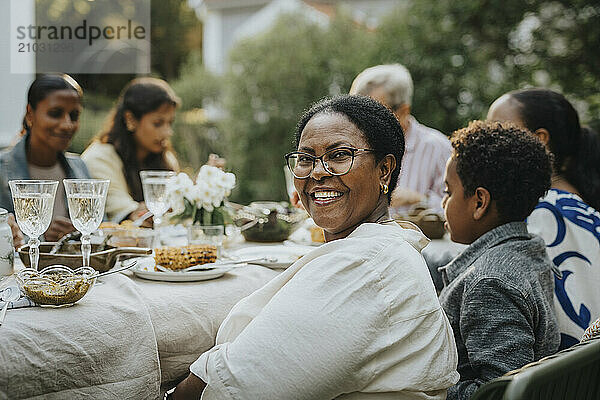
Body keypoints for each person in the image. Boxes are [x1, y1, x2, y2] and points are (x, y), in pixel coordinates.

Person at [169, 95, 459, 399]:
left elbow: (239, 385)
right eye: (306, 159)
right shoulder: (377, 247)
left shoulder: (367, 264)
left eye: (339, 155)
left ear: (384, 170)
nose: (317, 172)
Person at [438, 120, 559, 399]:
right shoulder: (528, 248)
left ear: (479, 202)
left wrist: (424, 387)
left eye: (448, 192)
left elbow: (497, 392)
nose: (443, 203)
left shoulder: (490, 283)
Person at [487, 89, 600, 349]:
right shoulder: (576, 207)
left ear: (540, 141)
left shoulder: (543, 216)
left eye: (499, 130)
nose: (487, 141)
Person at [0, 73, 90, 242]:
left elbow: (102, 229)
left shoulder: (80, 167)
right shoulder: (1, 169)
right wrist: (42, 239)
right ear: (30, 114)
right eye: (55, 113)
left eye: (74, 116)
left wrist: (78, 235)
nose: (67, 124)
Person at [349, 64, 452, 212]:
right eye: (357, 113)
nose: (363, 122)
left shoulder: (438, 147)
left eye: (374, 114)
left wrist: (418, 200)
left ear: (403, 111)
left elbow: (458, 213)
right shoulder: (352, 149)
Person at [82, 77, 180, 223]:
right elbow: (129, 214)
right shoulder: (99, 158)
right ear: (131, 119)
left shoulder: (166, 159)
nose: (168, 132)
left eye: (170, 123)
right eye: (158, 123)